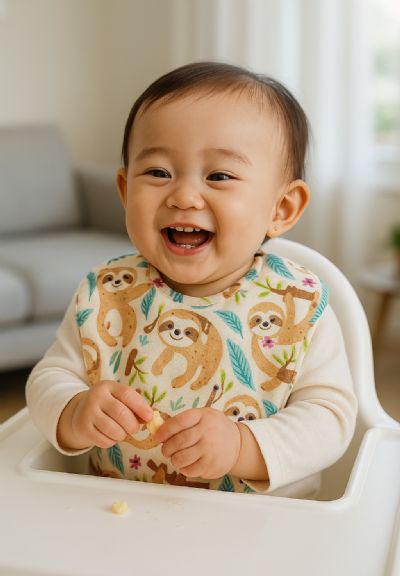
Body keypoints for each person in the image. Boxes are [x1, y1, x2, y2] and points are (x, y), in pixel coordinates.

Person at [26, 61, 357, 498]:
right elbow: (49, 376)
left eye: (219, 176)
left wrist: (242, 446)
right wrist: (73, 409)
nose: (183, 196)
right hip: (117, 514)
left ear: (282, 208)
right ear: (125, 191)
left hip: (263, 524)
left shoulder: (296, 305)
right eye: (158, 172)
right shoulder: (106, 294)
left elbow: (330, 418)